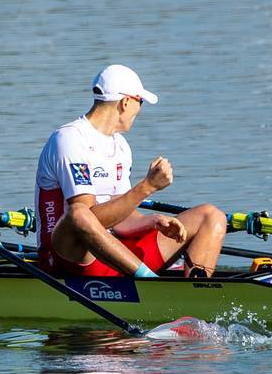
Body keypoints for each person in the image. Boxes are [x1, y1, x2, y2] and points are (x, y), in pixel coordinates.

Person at [35, 64, 226, 278]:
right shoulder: (70, 140)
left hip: (117, 256)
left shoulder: (121, 146)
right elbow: (86, 219)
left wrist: (152, 221)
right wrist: (148, 187)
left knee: (211, 215)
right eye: (140, 102)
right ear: (126, 102)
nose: (140, 109)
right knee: (79, 213)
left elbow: (121, 215)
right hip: (69, 258)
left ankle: (197, 295)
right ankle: (149, 283)